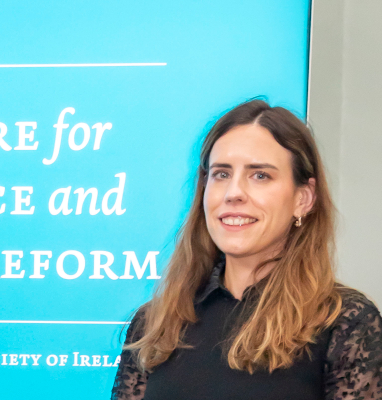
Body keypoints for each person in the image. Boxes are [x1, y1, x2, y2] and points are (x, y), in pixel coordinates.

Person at [111, 100, 382, 400]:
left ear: (303, 199)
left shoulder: (345, 324)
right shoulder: (153, 324)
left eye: (260, 175)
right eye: (221, 174)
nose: (234, 193)